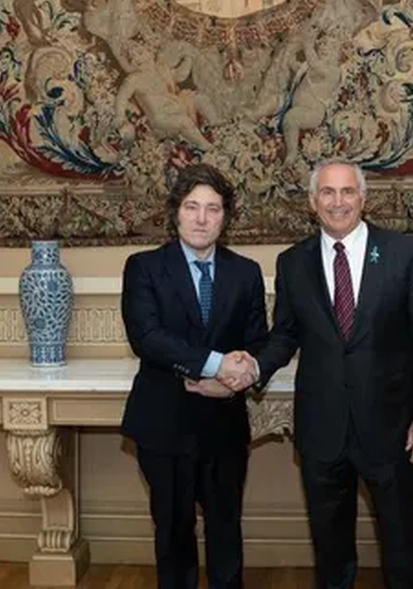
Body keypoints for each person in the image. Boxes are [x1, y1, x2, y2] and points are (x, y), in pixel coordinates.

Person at [222, 158, 413, 589]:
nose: (337, 202)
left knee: (400, 549)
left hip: (393, 428)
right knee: (331, 552)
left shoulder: (402, 253)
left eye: (347, 192)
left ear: (363, 197)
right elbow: (285, 336)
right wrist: (252, 368)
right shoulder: (293, 263)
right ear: (312, 202)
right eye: (327, 192)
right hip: (322, 429)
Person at [120, 163, 267, 589]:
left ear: (226, 217)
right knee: (173, 537)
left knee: (226, 533)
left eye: (213, 209)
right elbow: (146, 338)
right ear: (176, 213)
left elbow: (258, 339)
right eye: (192, 207)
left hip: (224, 426)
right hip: (164, 423)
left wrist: (235, 377)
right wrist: (214, 364)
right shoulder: (144, 268)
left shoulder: (246, 273)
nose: (202, 219)